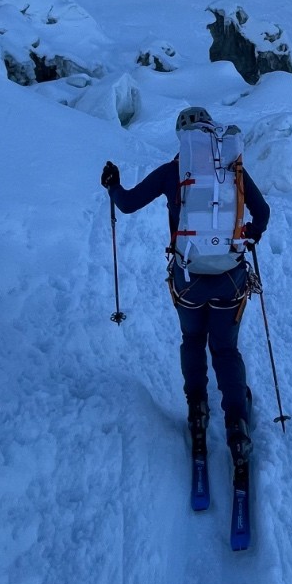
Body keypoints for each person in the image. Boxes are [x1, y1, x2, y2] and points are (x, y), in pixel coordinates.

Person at [101, 107, 271, 458]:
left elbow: (128, 204)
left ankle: (197, 412)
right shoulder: (234, 170)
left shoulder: (172, 171)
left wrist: (113, 185)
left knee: (193, 339)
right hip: (230, 277)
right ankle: (237, 425)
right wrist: (250, 235)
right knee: (225, 349)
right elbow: (263, 212)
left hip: (189, 279)